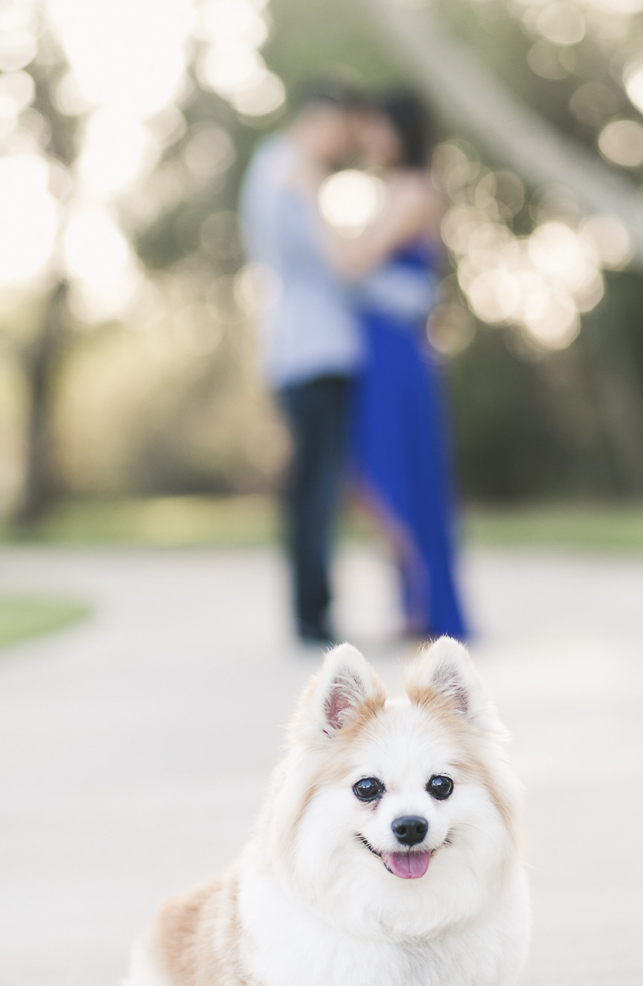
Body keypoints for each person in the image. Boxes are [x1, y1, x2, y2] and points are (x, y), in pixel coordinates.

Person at [325, 90, 468, 640]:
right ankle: (414, 601)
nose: (371, 140)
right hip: (378, 349)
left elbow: (356, 263)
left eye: (380, 128)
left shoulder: (413, 192)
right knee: (374, 472)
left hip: (398, 356)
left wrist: (316, 223)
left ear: (403, 131)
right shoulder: (394, 190)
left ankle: (426, 607)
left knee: (399, 471)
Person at [239, 81, 363, 645]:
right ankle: (314, 615)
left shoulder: (270, 167)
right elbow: (332, 262)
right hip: (316, 349)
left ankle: (311, 611)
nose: (343, 144)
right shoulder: (290, 169)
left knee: (309, 485)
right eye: (342, 130)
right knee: (315, 487)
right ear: (322, 118)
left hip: (294, 348)